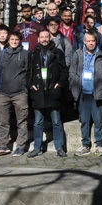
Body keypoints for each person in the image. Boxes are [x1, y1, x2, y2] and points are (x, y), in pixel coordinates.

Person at [70, 32, 102, 156]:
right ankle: (85, 145)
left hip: (97, 93)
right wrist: (73, 87)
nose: (91, 43)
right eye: (88, 41)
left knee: (98, 120)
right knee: (84, 121)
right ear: (84, 42)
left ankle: (99, 145)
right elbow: (72, 72)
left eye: (93, 41)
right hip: (82, 93)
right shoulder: (78, 54)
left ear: (96, 41)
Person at [28, 30, 68, 158]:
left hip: (52, 91)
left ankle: (59, 147)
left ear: (50, 38)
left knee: (56, 121)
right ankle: (37, 147)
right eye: (42, 37)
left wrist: (59, 84)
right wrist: (30, 85)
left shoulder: (58, 53)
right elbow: (28, 71)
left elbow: (64, 71)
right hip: (38, 91)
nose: (44, 39)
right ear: (38, 38)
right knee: (38, 122)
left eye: (47, 37)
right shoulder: (33, 53)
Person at [0, 32, 30, 156]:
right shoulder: (1, 54)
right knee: (3, 121)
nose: (14, 41)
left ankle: (20, 146)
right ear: (8, 41)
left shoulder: (25, 54)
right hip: (2, 93)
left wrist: (25, 88)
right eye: (12, 39)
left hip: (19, 93)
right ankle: (4, 145)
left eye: (16, 39)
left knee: (22, 120)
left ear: (20, 41)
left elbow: (28, 72)